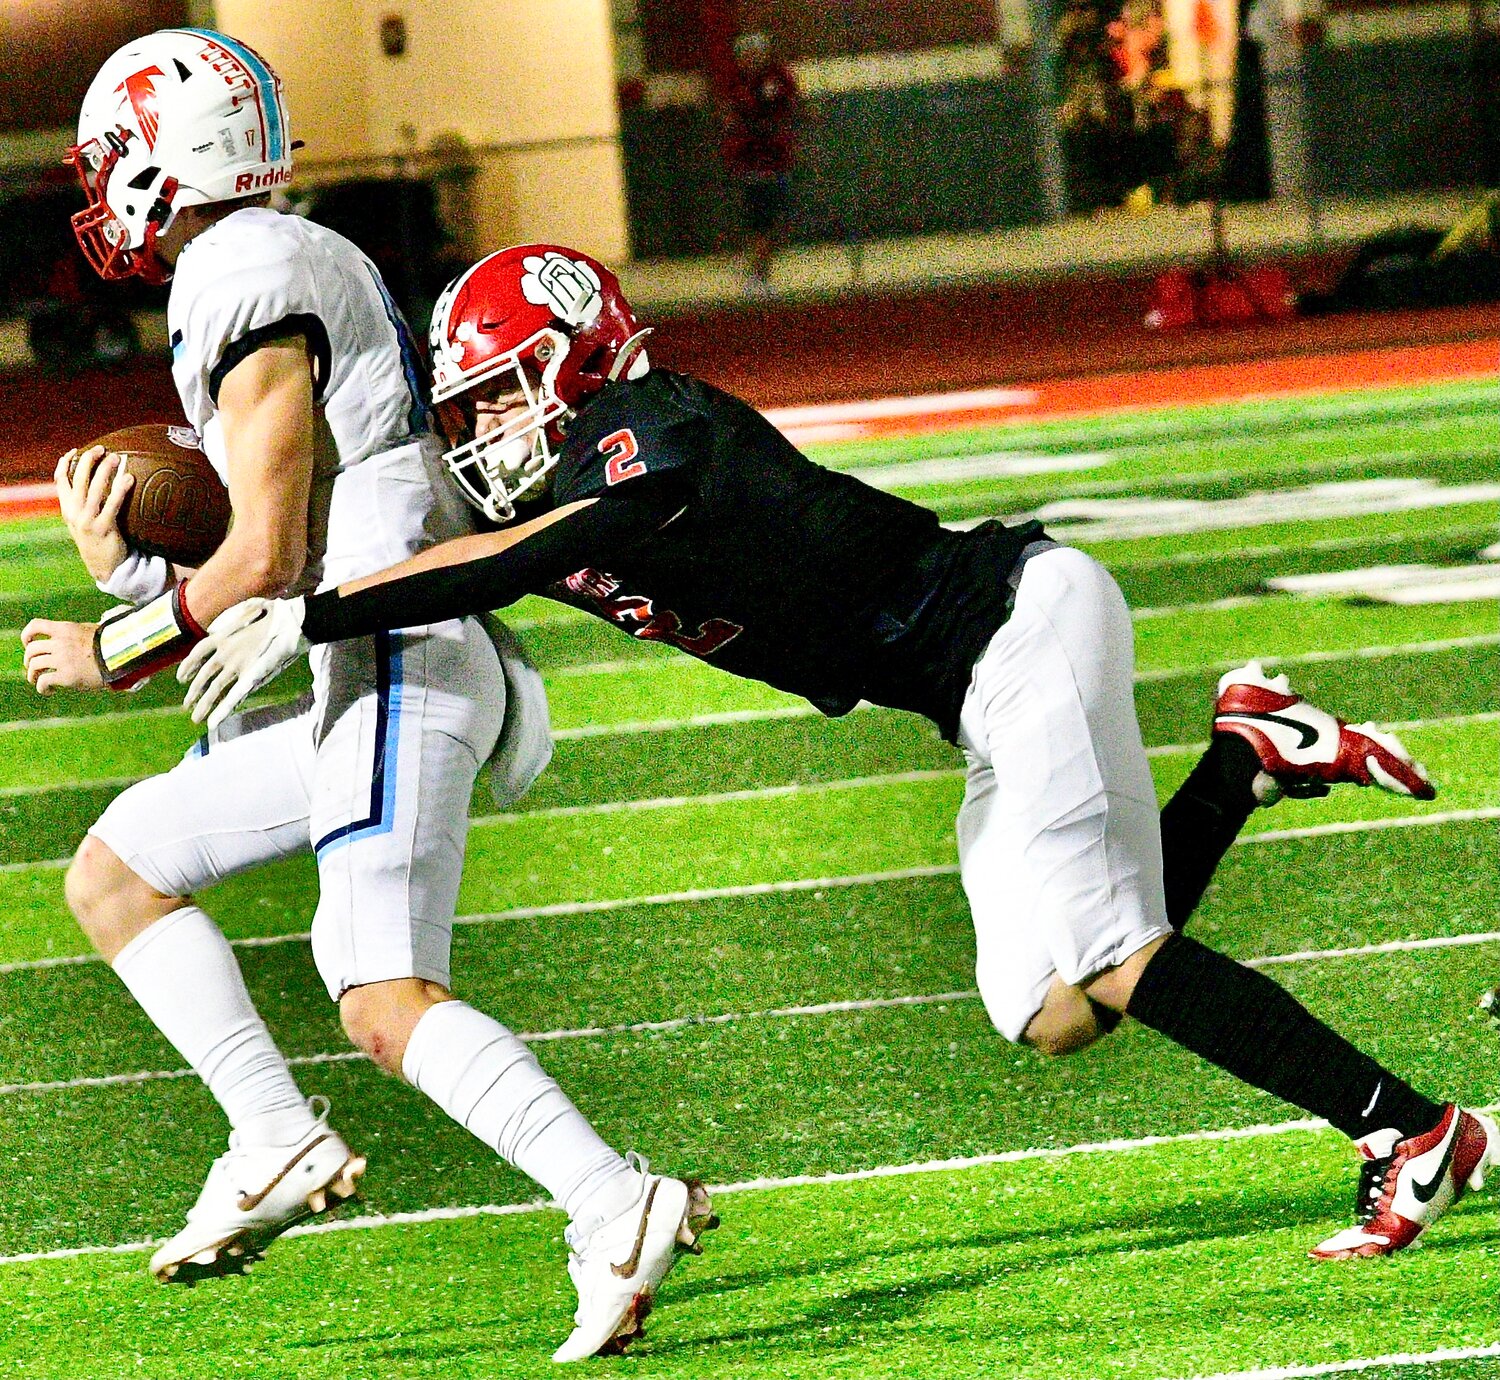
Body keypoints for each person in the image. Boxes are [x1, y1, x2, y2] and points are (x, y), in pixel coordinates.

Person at [183, 242, 1490, 1263]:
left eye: (503, 397)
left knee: (1115, 950)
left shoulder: (658, 423)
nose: (488, 433)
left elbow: (516, 552)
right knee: (1050, 1011)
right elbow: (401, 509)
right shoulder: (571, 470)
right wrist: (189, 574)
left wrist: (309, 614)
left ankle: (1412, 1127)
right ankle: (1251, 757)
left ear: (581, 365)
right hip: (969, 699)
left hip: (1016, 626)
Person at [19, 39, 709, 1364]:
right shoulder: (269, 263)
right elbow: (270, 542)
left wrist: (121, 636)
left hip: (393, 639)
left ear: (172, 155)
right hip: (369, 650)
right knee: (119, 871)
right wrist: (147, 568)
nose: (103, 189)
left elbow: (271, 551)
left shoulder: (245, 270)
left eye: (115, 159)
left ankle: (614, 1200)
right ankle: (274, 1132)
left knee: (382, 991)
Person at [721, 32, 801, 296]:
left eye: (756, 55)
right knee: (756, 221)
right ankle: (756, 272)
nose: (751, 60)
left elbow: (789, 107)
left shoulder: (777, 79)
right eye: (746, 56)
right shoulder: (737, 84)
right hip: (749, 162)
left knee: (775, 220)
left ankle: (760, 269)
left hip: (775, 161)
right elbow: (731, 116)